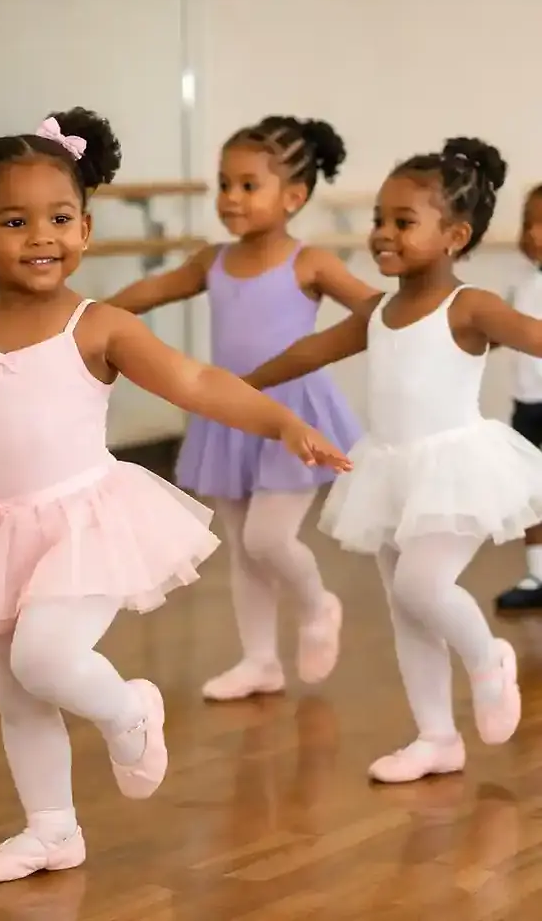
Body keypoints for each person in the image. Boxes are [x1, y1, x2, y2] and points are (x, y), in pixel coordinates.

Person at [0, 107, 352, 883]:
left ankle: (129, 708)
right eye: (15, 221)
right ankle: (51, 830)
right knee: (16, 694)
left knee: (46, 658)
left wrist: (280, 420)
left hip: (83, 525)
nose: (42, 236)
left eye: (60, 217)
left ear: (85, 226)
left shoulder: (98, 326)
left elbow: (197, 380)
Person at [246, 137, 539, 784]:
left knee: (422, 586)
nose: (382, 234)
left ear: (455, 236)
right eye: (380, 219)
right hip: (389, 472)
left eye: (402, 222)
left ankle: (488, 656)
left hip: (457, 470)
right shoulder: (377, 311)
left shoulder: (471, 307)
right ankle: (436, 737)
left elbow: (537, 337)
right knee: (406, 611)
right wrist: (235, 387)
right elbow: (308, 352)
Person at [107, 116, 372, 701]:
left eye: (248, 185)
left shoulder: (310, 263)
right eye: (224, 184)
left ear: (294, 197)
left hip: (294, 415)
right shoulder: (212, 261)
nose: (230, 197)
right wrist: (81, 316)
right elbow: (146, 294)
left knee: (268, 540)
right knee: (242, 546)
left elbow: (375, 310)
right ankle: (260, 661)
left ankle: (317, 604)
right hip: (228, 412)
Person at [495, 184, 542, 610]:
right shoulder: (521, 283)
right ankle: (537, 573)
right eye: (533, 223)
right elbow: (501, 331)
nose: (538, 233)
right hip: (528, 403)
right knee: (532, 491)